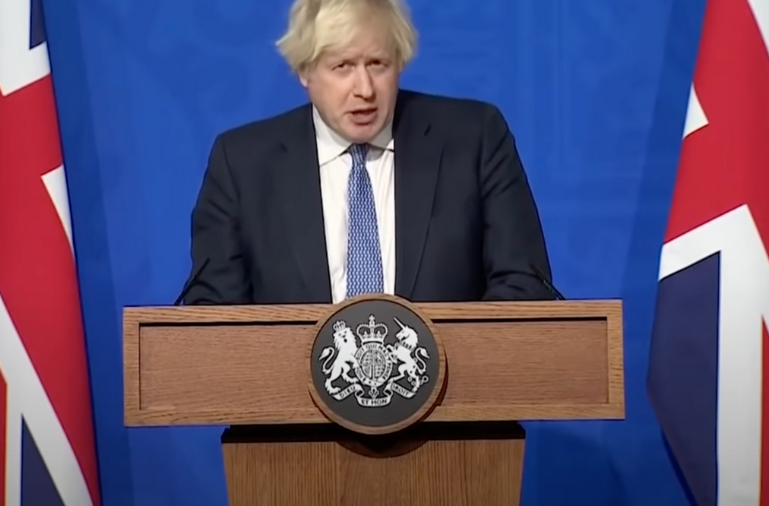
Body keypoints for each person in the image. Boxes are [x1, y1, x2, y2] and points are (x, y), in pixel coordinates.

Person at [181, 0, 555, 305]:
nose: (364, 89)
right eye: (343, 67)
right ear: (305, 71)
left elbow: (523, 286)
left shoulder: (474, 139)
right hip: (287, 395)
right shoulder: (243, 164)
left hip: (453, 392)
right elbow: (216, 318)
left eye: (377, 64)